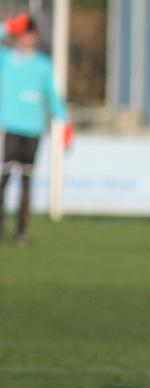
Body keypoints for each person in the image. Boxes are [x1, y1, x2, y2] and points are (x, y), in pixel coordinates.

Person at [0, 12, 70, 246]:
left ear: (36, 37)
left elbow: (52, 96)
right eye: (21, 35)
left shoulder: (42, 66)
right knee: (5, 178)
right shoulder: (6, 59)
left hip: (33, 129)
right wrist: (8, 27)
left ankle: (21, 232)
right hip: (9, 126)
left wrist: (65, 122)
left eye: (28, 35)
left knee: (27, 181)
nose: (24, 39)